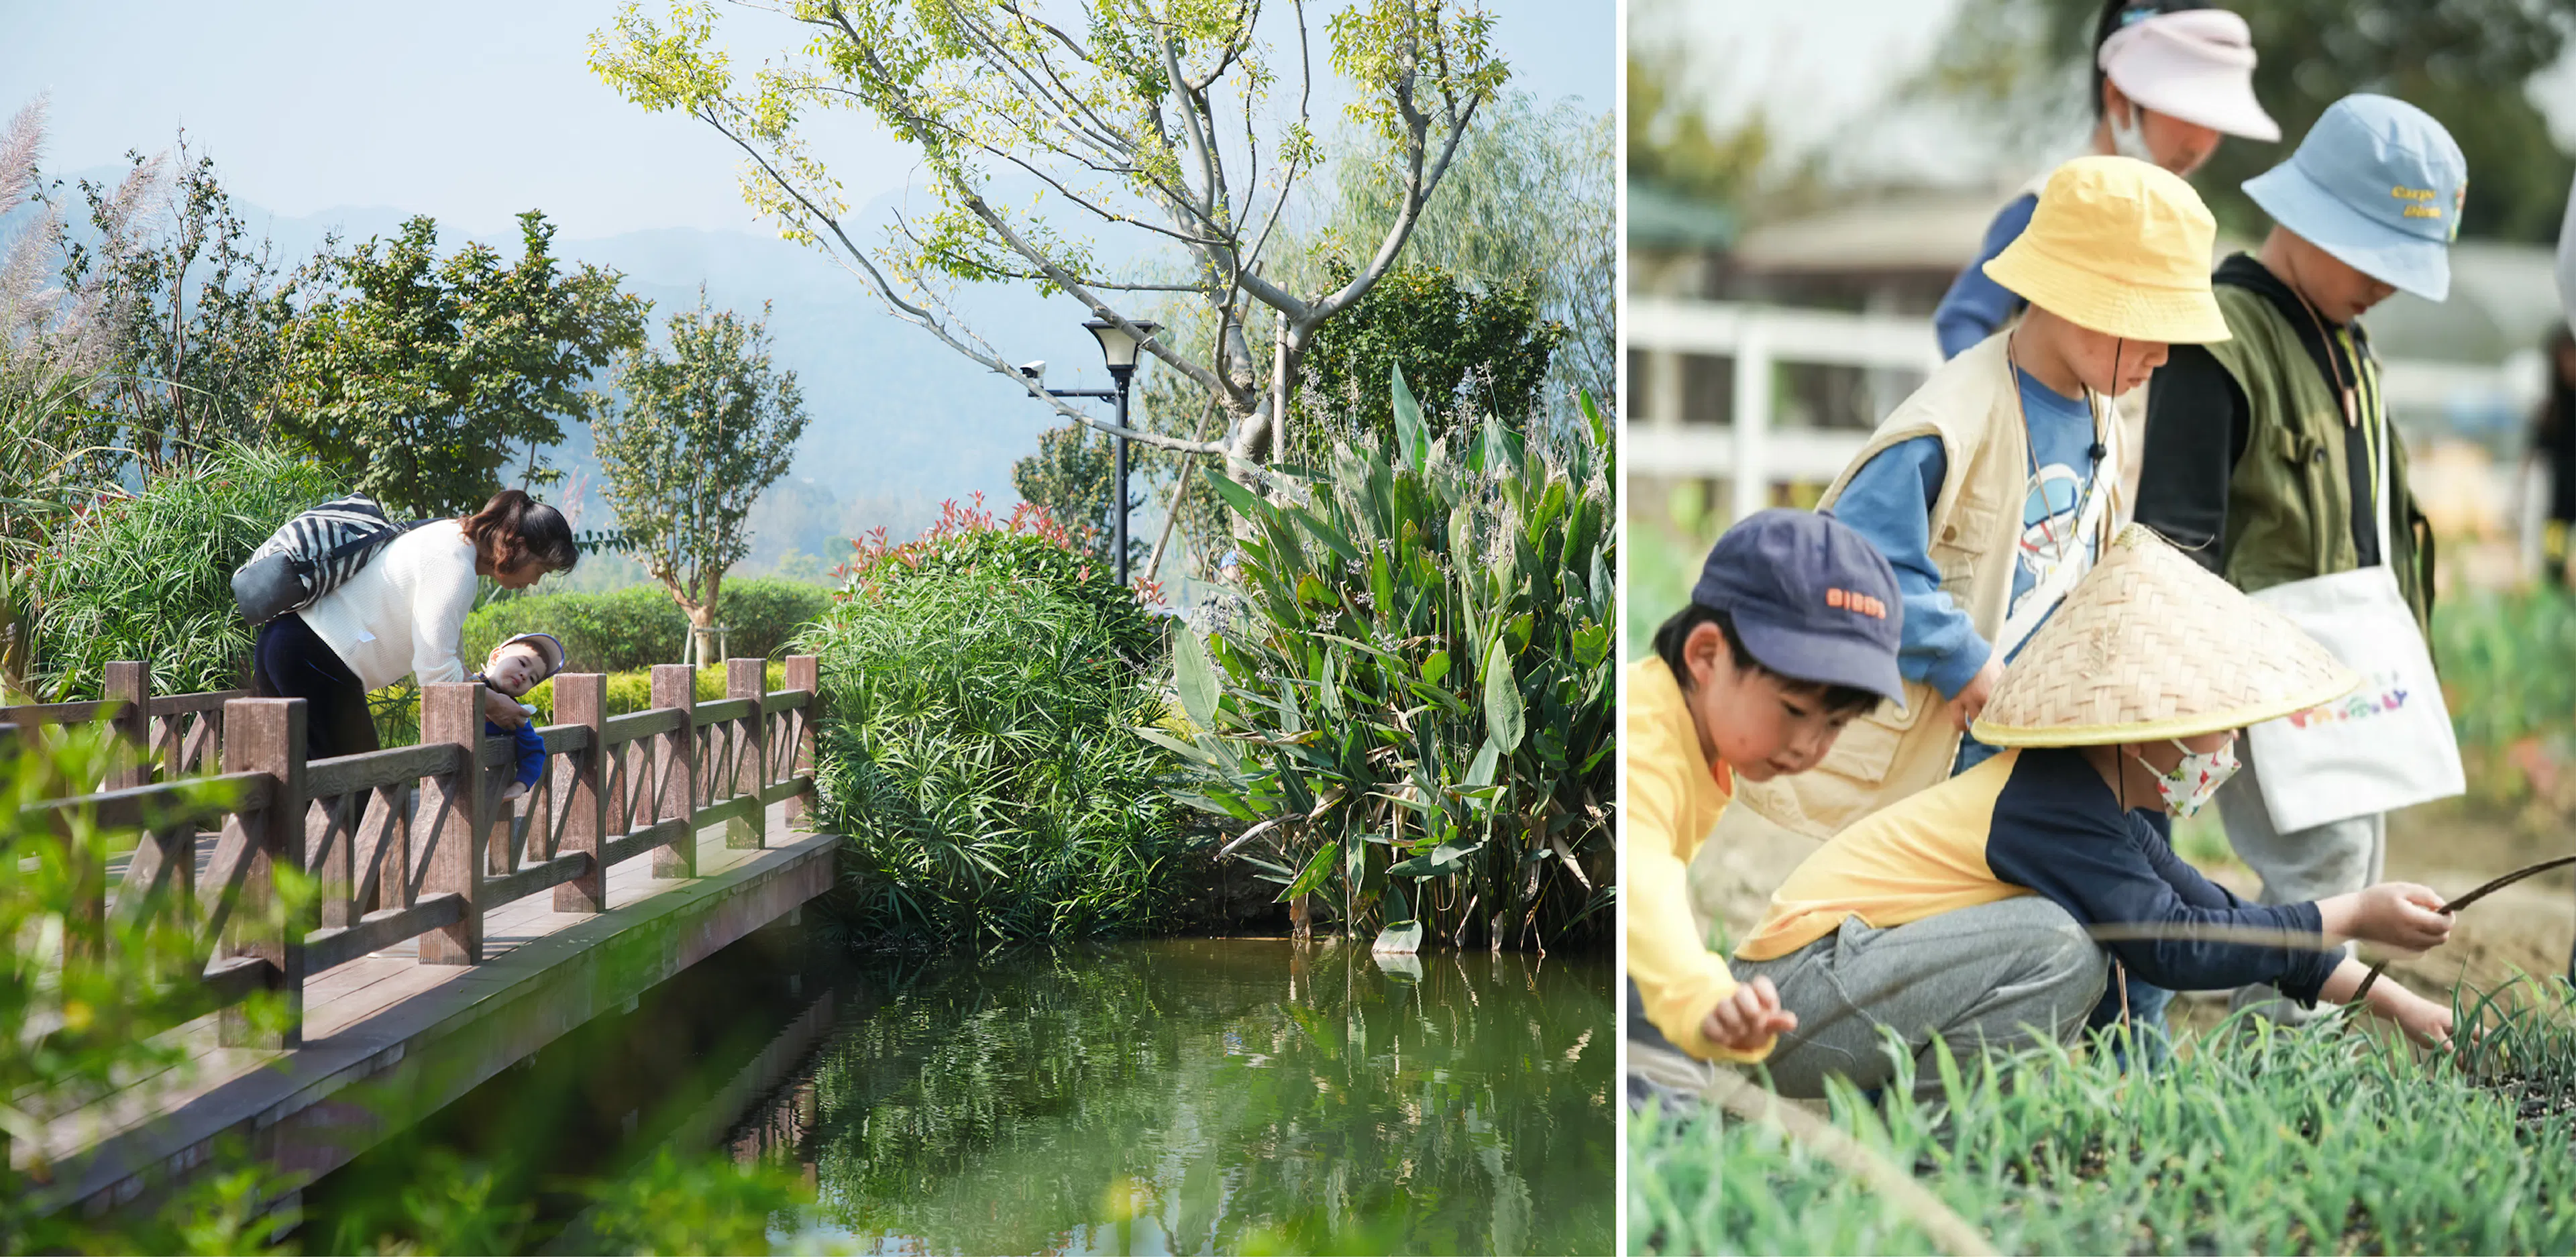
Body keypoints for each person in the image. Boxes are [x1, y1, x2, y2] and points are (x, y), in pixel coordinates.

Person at [1743, 156, 2233, 1044]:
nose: (2165, 354)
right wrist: (1963, 657)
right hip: (1955, 738)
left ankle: (2126, 1062)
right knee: (1971, 913)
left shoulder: (2101, 415)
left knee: (2127, 895)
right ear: (2076, 294)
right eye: (2151, 325)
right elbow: (1857, 556)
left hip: (2051, 732)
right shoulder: (1954, 415)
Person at [1728, 527, 2458, 1101]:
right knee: (2061, 942)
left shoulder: (2100, 811)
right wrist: (2356, 910)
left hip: (1826, 993)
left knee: (2065, 942)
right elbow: (2173, 944)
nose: (2231, 747)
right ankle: (1936, 1141)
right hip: (1788, 1004)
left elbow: (2222, 917)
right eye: (2222, 725)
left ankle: (1942, 1133)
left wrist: (2404, 1006)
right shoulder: (2051, 806)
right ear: (2151, 727)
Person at [2132, 93, 2463, 1025]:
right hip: (2255, 668)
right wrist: (2195, 698)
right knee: (2319, 868)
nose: (2389, 284)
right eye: (2374, 256)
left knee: (2354, 858)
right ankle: (2276, 1066)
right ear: (2307, 215)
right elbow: (2177, 536)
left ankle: (2294, 1053)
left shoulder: (2351, 345)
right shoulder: (2222, 335)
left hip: (2346, 673)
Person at [1627, 509, 1907, 1107]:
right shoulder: (1642, 740)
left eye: (1835, 724)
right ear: (1706, 657)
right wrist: (1701, 995)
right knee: (1667, 1101)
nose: (1811, 745)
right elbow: (1641, 875)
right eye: (1794, 710)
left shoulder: (1694, 734)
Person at [1931, 1, 2279, 360]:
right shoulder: (2050, 203)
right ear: (2118, 98)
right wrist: (2016, 409)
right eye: (2188, 115)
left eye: (2217, 123)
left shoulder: (2178, 226)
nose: (2201, 144)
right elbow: (1963, 320)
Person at [252, 490, 580, 763]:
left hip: (286, 645)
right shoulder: (455, 567)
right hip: (316, 658)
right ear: (518, 547)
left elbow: (447, 656)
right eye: (541, 568)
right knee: (354, 796)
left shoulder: (449, 537)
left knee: (300, 794)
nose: (536, 581)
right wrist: (495, 705)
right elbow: (436, 677)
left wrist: (479, 690)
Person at [478, 633, 566, 801]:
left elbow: (534, 750)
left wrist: (520, 786)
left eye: (533, 679)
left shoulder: (515, 715)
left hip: (485, 796)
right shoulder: (461, 681)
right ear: (497, 656)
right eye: (522, 663)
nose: (525, 675)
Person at [2527, 326, 2576, 586]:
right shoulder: (2552, 410)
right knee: (2555, 538)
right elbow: (2534, 451)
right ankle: (2555, 577)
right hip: (2560, 497)